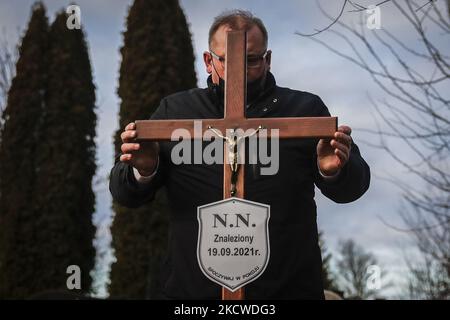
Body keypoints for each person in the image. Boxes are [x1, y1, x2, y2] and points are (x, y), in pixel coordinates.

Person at [110, 10, 370, 299]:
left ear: (268, 59)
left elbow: (353, 187)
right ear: (209, 61)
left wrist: (332, 170)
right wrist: (144, 170)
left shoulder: (303, 112)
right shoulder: (177, 114)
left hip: (286, 291)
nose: (240, 70)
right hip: (193, 294)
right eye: (226, 60)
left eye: (252, 60)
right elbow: (124, 194)